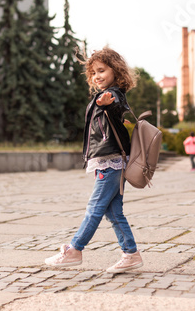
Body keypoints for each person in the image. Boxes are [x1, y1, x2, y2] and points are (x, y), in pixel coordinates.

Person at [45, 47, 142, 273]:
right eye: (93, 73)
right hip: (110, 160)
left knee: (95, 207)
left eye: (102, 70)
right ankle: (131, 253)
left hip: (110, 161)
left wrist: (108, 104)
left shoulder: (112, 96)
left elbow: (116, 107)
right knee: (113, 211)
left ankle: (74, 249)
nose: (97, 76)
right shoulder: (104, 95)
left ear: (116, 72)